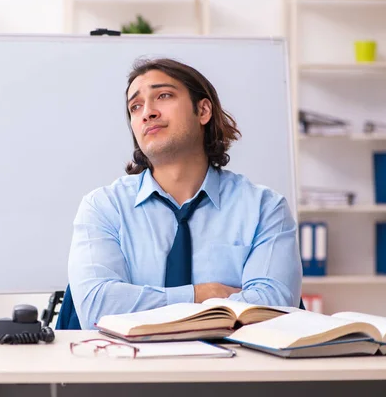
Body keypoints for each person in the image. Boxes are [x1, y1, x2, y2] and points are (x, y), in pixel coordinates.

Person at [60, 58, 302, 330]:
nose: (147, 112)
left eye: (163, 96)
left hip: (231, 369)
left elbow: (273, 307)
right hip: (129, 369)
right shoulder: (103, 207)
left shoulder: (265, 208)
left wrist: (140, 306)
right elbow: (98, 307)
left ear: (203, 111)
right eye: (135, 106)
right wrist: (203, 294)